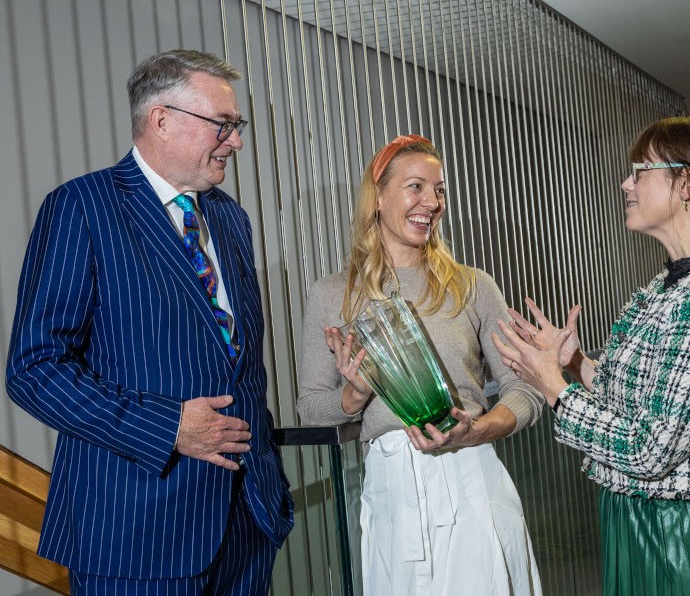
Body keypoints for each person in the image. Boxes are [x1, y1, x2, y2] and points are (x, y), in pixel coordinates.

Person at [5, 49, 293, 593]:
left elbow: (237, 366)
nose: (236, 141)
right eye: (224, 125)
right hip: (135, 535)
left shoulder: (230, 219)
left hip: (246, 527)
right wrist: (169, 427)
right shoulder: (80, 208)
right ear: (161, 120)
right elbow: (34, 369)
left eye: (238, 126)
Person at [493, 116, 690, 595]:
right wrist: (574, 362)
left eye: (641, 170)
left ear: (687, 183)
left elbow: (651, 448)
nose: (627, 183)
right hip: (648, 519)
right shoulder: (681, 280)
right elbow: (653, 398)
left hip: (676, 532)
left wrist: (556, 390)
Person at [297, 134, 543, 595]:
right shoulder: (332, 294)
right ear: (379, 197)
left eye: (440, 190)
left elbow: (525, 390)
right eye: (416, 187)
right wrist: (356, 393)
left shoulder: (473, 286)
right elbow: (311, 411)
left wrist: (479, 429)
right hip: (392, 491)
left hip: (472, 475)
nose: (432, 202)